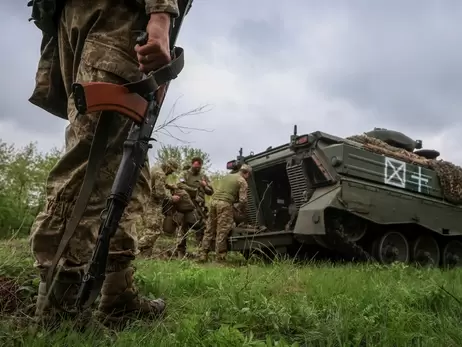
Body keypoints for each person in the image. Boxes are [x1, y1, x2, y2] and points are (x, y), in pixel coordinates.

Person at [28, 0, 180, 328]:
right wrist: (161, 14)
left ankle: (116, 295)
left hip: (88, 17)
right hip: (118, 17)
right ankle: (59, 305)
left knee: (128, 164)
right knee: (95, 161)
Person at [198, 164, 252, 262]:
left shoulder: (227, 176)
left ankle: (203, 254)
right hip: (224, 204)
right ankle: (220, 258)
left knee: (210, 229)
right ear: (247, 173)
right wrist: (242, 211)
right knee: (222, 231)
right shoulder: (242, 181)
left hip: (213, 202)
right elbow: (243, 200)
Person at [138, 159, 180, 256]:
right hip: (152, 205)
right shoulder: (161, 174)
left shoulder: (154, 169)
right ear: (168, 167)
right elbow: (159, 193)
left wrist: (168, 186)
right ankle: (135, 247)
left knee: (149, 230)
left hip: (145, 202)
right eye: (172, 170)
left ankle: (145, 256)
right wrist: (171, 198)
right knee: (154, 231)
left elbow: (153, 183)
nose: (171, 173)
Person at [175, 157, 214, 258]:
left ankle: (201, 252)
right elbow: (179, 184)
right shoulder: (185, 174)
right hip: (185, 205)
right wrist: (193, 190)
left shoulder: (203, 176)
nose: (197, 168)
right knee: (182, 227)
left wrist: (204, 186)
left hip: (199, 206)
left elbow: (210, 191)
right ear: (192, 164)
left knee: (201, 227)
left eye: (199, 166)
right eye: (196, 166)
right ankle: (181, 252)